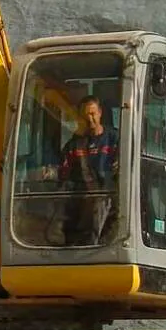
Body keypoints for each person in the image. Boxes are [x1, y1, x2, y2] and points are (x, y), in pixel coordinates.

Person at [58, 95, 119, 245]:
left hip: (112, 199)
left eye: (92, 114)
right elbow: (64, 173)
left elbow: (124, 166)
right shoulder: (74, 145)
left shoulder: (115, 139)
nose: (90, 119)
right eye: (86, 115)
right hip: (83, 200)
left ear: (100, 113)